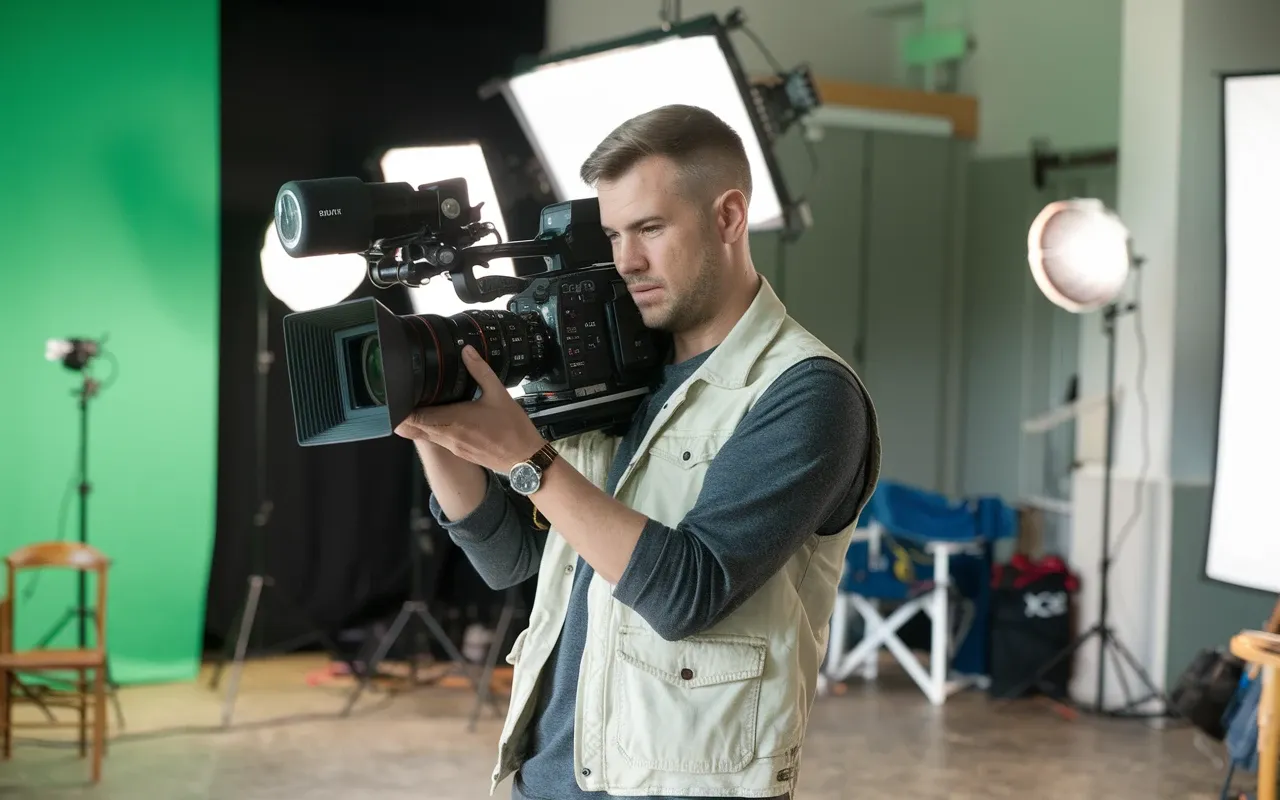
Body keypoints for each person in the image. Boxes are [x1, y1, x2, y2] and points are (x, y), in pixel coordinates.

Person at [395, 104, 881, 800]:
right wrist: (437, 432)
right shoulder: (619, 373)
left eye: (651, 228)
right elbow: (514, 561)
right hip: (544, 783)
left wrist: (528, 460)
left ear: (729, 217)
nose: (626, 260)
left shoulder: (806, 393)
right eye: (616, 233)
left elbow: (689, 591)